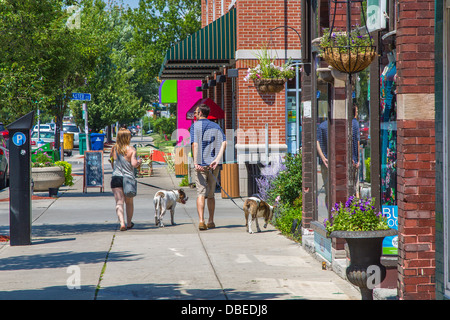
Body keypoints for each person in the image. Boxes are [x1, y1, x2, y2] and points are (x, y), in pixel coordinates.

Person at [190, 104, 227, 230]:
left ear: (200, 113)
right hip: (213, 165)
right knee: (211, 194)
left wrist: (196, 163)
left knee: (201, 193)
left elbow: (195, 145)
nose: (195, 114)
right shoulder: (216, 126)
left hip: (200, 165)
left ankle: (201, 221)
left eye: (196, 112)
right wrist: (217, 160)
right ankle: (211, 221)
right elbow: (224, 142)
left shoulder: (195, 126)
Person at [110, 128, 142, 231]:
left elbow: (112, 162)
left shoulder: (114, 149)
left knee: (119, 202)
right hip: (128, 179)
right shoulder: (132, 150)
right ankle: (129, 223)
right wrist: (139, 162)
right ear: (127, 138)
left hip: (116, 178)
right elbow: (134, 164)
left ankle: (122, 223)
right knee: (129, 202)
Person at [316, 119, 328, 208]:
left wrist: (323, 158)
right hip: (337, 162)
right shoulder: (341, 125)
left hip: (325, 163)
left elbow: (317, 142)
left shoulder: (322, 126)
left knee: (328, 191)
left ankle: (330, 214)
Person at [352, 105, 361, 197]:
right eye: (357, 111)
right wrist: (358, 159)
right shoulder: (355, 123)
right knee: (356, 185)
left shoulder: (347, 123)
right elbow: (357, 142)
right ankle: (358, 208)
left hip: (351, 159)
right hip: (354, 158)